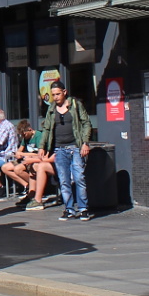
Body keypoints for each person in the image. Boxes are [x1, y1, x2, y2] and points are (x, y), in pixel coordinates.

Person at [40, 80, 93, 221]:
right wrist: (42, 146)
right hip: (59, 148)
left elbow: (86, 123)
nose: (55, 97)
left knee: (79, 178)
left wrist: (85, 142)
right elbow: (46, 129)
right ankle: (69, 209)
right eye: (53, 95)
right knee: (64, 180)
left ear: (64, 92)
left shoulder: (75, 105)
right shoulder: (51, 109)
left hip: (75, 147)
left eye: (58, 94)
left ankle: (83, 209)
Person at [0, 120, 36, 198]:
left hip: (35, 159)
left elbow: (39, 153)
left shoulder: (38, 136)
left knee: (18, 169)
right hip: (25, 159)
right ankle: (27, 185)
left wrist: (23, 154)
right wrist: (18, 154)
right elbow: (19, 150)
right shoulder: (25, 138)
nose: (24, 136)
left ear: (30, 129)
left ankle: (35, 186)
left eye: (25, 134)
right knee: (5, 167)